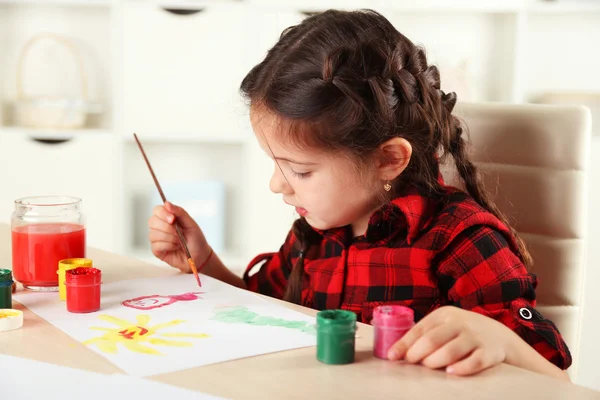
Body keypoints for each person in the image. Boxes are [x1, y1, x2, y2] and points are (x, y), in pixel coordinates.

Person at [148, 9, 570, 380]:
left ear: (388, 159)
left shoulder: (461, 241)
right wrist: (201, 260)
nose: (277, 184)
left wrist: (498, 339)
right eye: (275, 165)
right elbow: (263, 309)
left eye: (299, 170)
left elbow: (557, 382)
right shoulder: (313, 236)